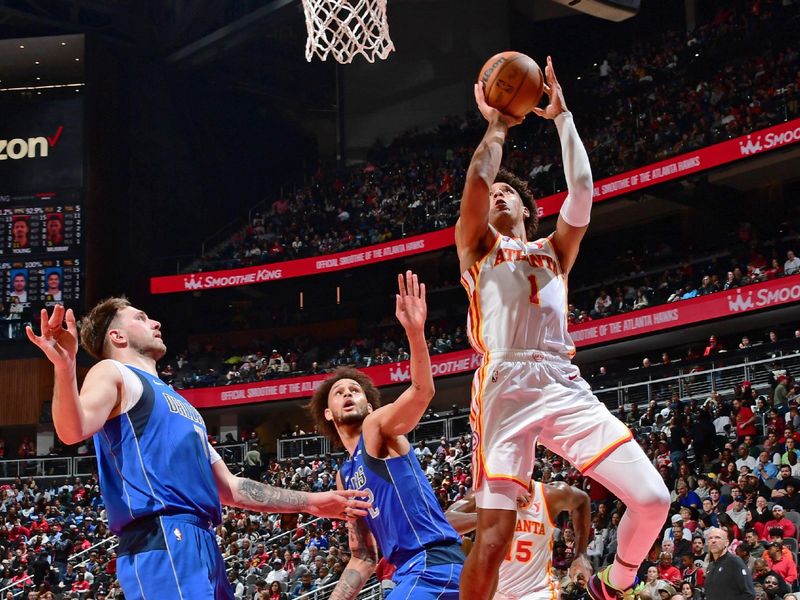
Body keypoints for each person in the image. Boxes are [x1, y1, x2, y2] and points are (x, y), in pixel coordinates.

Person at [454, 55, 670, 600]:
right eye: (495, 192)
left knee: (653, 500)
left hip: (561, 381)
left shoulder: (555, 251)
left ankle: (613, 583)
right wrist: (498, 126)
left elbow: (582, 194)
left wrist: (562, 118)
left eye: (509, 192)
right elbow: (478, 182)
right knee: (495, 535)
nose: (498, 193)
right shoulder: (478, 247)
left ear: (528, 208)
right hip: (505, 382)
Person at [26, 301, 369, 600]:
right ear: (118, 336)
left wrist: (312, 502)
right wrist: (66, 366)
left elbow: (231, 488)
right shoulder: (113, 372)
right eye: (142, 318)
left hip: (201, 539)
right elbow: (72, 431)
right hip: (159, 536)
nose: (155, 323)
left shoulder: (181, 403)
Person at [307, 270, 463, 599]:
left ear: (369, 404)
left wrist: (415, 331)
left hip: (432, 563)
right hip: (408, 573)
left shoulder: (375, 428)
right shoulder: (344, 477)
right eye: (339, 392)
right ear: (327, 413)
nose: (348, 394)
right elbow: (362, 557)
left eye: (355, 390)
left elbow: (422, 392)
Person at [445, 480, 592, 600]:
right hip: (493, 591)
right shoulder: (484, 493)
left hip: (536, 591)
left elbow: (582, 501)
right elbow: (444, 521)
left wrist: (580, 554)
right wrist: (492, 514)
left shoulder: (549, 495)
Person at [702, 527, 755, 600]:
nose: (713, 541)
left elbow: (749, 594)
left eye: (717, 538)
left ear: (726, 542)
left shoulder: (734, 562)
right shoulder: (710, 566)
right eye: (710, 538)